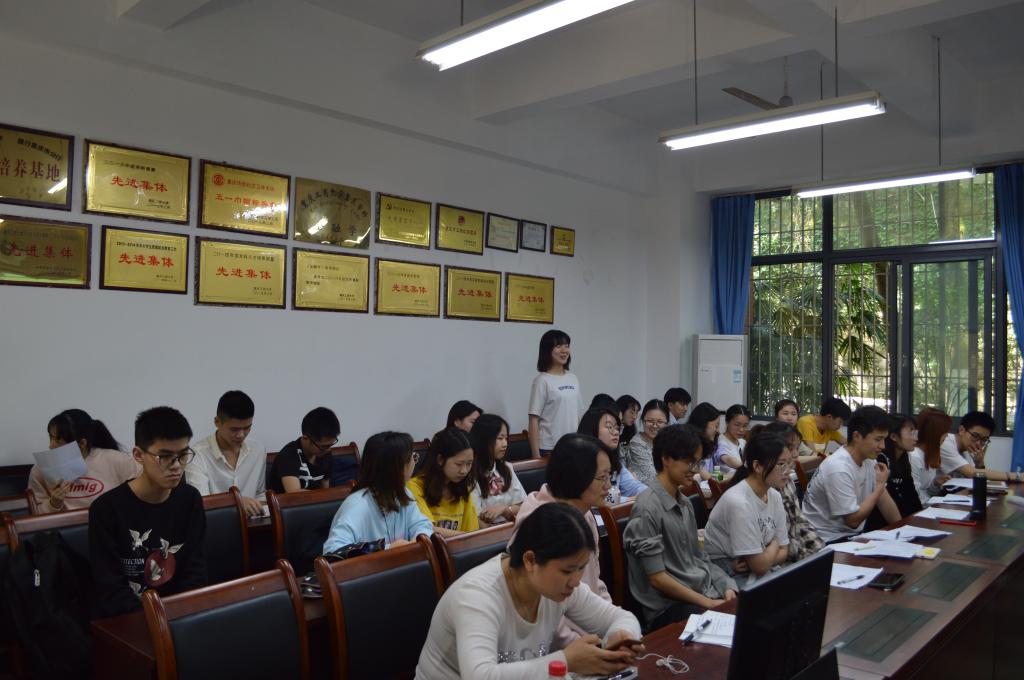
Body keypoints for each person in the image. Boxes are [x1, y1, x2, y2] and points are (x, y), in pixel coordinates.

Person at [415, 503, 643, 679]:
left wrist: (620, 636)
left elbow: (621, 617)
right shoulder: (476, 597)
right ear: (530, 560)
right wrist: (566, 661)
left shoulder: (557, 586)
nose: (576, 581)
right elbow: (480, 676)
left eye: (581, 568)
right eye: (567, 570)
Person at [89, 406, 206, 617]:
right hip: (130, 617)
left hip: (181, 614)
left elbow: (196, 569)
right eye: (165, 456)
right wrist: (154, 622)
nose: (177, 465)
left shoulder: (190, 499)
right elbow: (110, 588)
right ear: (138, 455)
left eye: (183, 455)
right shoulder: (106, 509)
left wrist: (184, 614)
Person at [622, 425, 737, 631]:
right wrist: (709, 603)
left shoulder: (684, 503)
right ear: (666, 459)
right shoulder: (647, 507)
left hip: (701, 594)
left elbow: (700, 558)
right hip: (670, 609)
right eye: (690, 461)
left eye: (698, 462)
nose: (695, 469)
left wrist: (725, 585)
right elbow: (657, 579)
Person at [512, 433, 613, 647]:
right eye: (602, 478)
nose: (609, 486)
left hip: (590, 635)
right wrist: (590, 648)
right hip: (555, 649)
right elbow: (544, 615)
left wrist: (613, 626)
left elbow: (595, 583)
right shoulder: (537, 522)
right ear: (576, 477)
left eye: (609, 475)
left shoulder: (584, 513)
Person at [802, 406, 901, 543]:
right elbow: (852, 521)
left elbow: (883, 500)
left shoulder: (868, 460)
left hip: (852, 536)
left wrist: (901, 530)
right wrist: (879, 487)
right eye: (878, 439)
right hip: (825, 539)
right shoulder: (838, 468)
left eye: (884, 439)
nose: (883, 446)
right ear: (857, 436)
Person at [704, 430, 791, 585]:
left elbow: (784, 552)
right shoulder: (739, 503)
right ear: (757, 466)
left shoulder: (774, 496)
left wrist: (765, 556)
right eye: (781, 464)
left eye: (789, 464)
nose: (787, 471)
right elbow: (760, 566)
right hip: (725, 572)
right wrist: (775, 543)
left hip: (752, 568)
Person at [323, 431, 433, 552]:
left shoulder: (403, 493)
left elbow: (422, 524)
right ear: (398, 468)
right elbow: (333, 551)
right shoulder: (357, 505)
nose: (414, 463)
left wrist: (419, 537)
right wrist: (386, 549)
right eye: (413, 458)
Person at [29, 409, 139, 514]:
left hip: (109, 524)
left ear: (82, 444)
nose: (51, 446)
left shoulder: (116, 460)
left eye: (58, 440)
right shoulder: (40, 470)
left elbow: (144, 489)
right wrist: (53, 503)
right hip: (64, 527)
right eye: (51, 438)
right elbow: (34, 514)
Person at [753, 422, 824, 562]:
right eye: (790, 448)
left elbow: (801, 523)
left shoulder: (787, 481)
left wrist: (819, 551)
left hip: (793, 552)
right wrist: (805, 556)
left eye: (797, 448)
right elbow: (773, 542)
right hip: (776, 558)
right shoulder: (761, 490)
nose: (796, 454)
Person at [187, 390, 266, 517]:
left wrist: (258, 506)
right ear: (217, 422)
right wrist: (238, 502)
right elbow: (200, 502)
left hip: (253, 523)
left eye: (247, 428)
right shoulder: (198, 454)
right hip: (214, 524)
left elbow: (260, 494)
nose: (241, 435)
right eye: (234, 429)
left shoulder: (258, 450)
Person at [408, 427, 479, 536]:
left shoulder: (463, 490)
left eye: (469, 464)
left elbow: (472, 532)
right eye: (459, 464)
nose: (464, 470)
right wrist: (466, 538)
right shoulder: (415, 487)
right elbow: (426, 529)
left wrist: (468, 538)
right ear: (440, 459)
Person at [528, 329, 584, 457]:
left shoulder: (573, 378)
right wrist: (536, 455)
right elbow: (533, 420)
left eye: (566, 346)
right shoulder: (542, 380)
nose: (564, 350)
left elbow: (579, 414)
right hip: (549, 448)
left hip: (573, 445)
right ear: (547, 350)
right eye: (558, 346)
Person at [577, 407, 647, 503]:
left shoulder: (614, 462)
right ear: (592, 429)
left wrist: (649, 494)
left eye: (617, 428)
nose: (616, 432)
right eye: (609, 427)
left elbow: (634, 486)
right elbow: (594, 498)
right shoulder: (579, 462)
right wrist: (629, 499)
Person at [865, 415, 922, 531]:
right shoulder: (880, 459)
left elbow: (911, 495)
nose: (916, 438)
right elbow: (888, 501)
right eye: (911, 433)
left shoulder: (903, 459)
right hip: (881, 526)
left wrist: (921, 519)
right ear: (894, 436)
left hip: (901, 523)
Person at [470, 414, 527, 526]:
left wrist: (505, 509)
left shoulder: (506, 468)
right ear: (484, 440)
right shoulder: (470, 474)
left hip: (511, 526)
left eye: (506, 438)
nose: (505, 444)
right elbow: (475, 518)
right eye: (500, 438)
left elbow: (523, 504)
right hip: (487, 532)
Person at [267, 407, 338, 493]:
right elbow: (294, 494)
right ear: (306, 438)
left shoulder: (325, 453)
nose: (328, 449)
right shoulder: (288, 455)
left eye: (331, 444)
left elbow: (325, 489)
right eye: (323, 446)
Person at [938, 410, 1023, 482]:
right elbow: (971, 473)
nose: (978, 443)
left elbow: (976, 478)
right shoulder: (945, 443)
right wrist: (1017, 476)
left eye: (984, 439)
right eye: (975, 436)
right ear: (962, 430)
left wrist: (979, 464)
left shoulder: (966, 449)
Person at [908, 407, 953, 504]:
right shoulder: (913, 456)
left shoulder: (930, 454)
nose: (947, 436)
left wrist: (935, 483)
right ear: (934, 434)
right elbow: (915, 497)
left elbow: (927, 491)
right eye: (945, 431)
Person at [622, 400, 668, 487]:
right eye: (650, 421)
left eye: (660, 422)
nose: (654, 425)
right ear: (643, 420)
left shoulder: (668, 441)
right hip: (648, 492)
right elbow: (652, 479)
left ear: (667, 423)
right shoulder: (637, 444)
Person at [775, 399, 823, 471]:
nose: (790, 418)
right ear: (776, 417)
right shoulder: (771, 435)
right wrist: (822, 458)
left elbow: (811, 454)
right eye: (785, 413)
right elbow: (783, 459)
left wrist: (823, 457)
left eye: (793, 414)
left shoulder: (794, 436)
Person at [685, 402, 720, 481]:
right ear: (703, 424)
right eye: (716, 426)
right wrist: (711, 480)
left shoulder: (710, 444)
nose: (718, 430)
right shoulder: (689, 445)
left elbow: (714, 472)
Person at [711, 404, 750, 474]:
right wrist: (745, 470)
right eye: (737, 425)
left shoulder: (743, 442)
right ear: (727, 422)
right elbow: (727, 459)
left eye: (745, 426)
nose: (741, 429)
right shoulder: (720, 441)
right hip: (723, 479)